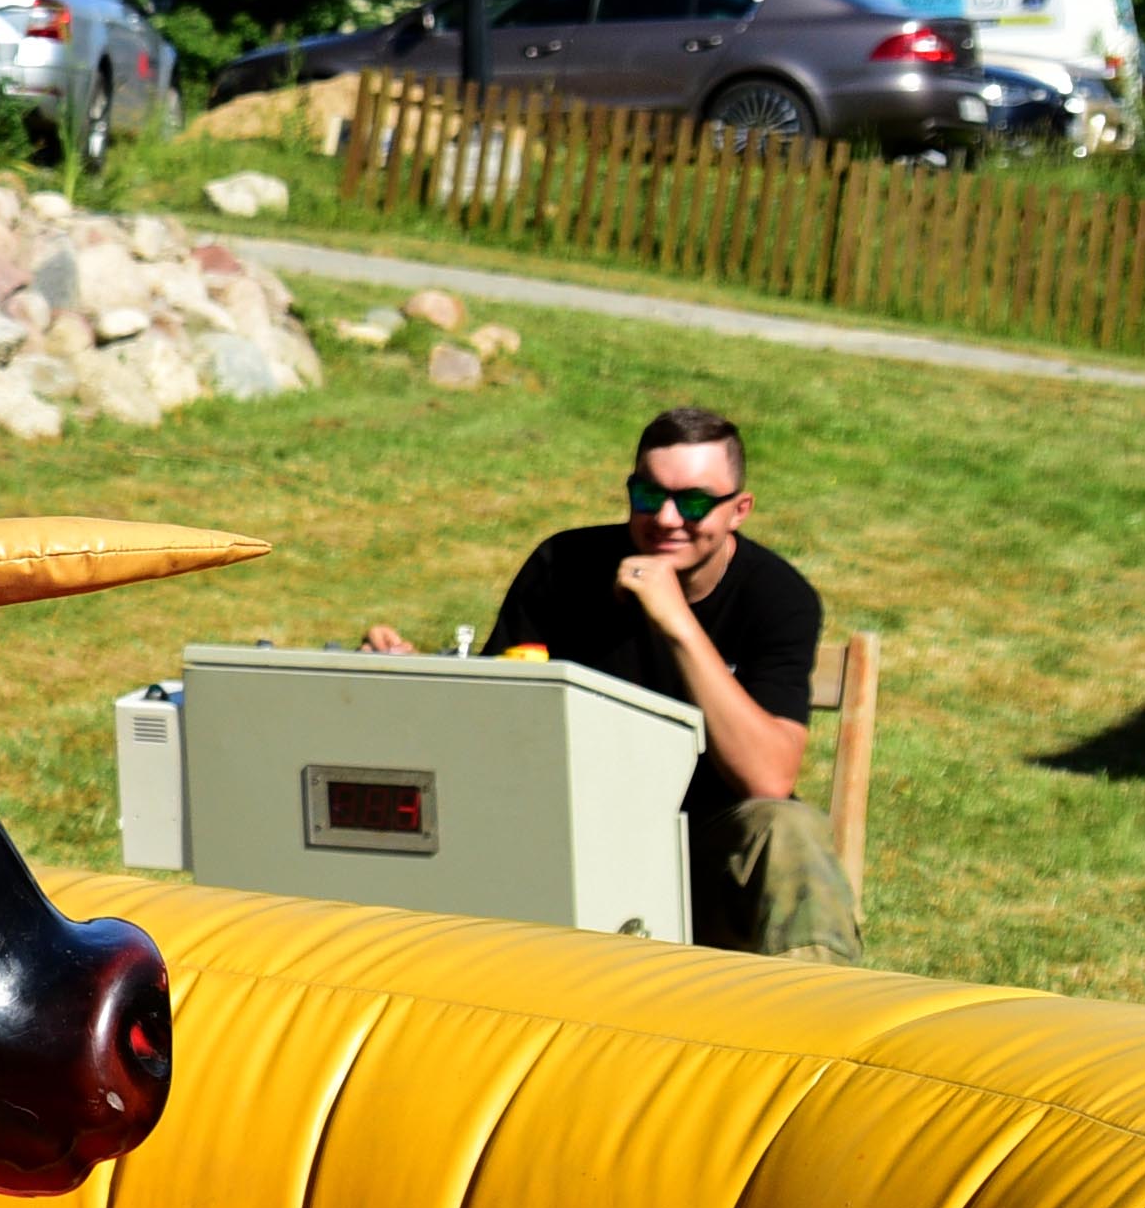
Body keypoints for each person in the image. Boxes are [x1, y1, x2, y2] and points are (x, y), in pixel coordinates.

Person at [368, 404, 859, 959]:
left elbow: (769, 777)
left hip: (707, 853)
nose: (668, 518)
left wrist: (677, 622)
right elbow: (491, 720)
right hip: (568, 840)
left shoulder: (777, 598)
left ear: (738, 510)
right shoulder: (563, 567)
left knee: (787, 828)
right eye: (649, 496)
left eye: (695, 501)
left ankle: (815, 1026)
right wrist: (411, 677)